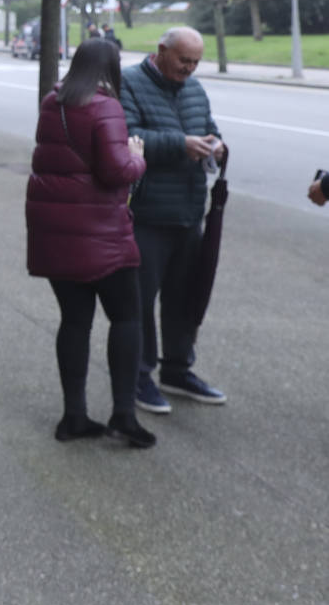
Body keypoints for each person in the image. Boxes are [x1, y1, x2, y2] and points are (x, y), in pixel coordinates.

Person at [26, 39, 155, 448]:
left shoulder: (52, 103)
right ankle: (124, 416)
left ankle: (74, 417)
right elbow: (116, 171)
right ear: (111, 67)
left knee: (74, 321)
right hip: (103, 237)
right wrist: (137, 156)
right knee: (127, 319)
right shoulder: (105, 106)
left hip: (56, 235)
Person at [119, 27, 227, 414]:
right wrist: (180, 144)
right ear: (161, 50)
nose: (189, 68)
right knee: (140, 301)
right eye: (184, 60)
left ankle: (178, 370)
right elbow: (127, 136)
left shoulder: (194, 88)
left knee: (184, 299)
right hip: (147, 214)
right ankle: (139, 376)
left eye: (196, 62)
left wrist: (216, 145)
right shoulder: (128, 82)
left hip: (189, 213)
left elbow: (209, 128)